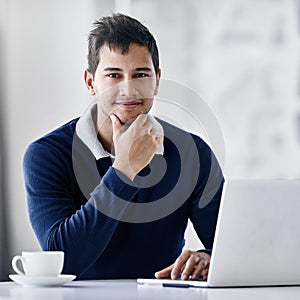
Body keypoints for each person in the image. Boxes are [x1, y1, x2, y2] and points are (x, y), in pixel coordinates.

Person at [23, 13, 224, 281]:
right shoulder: (47, 155)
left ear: (157, 80)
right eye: (114, 75)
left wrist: (208, 257)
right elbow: (63, 258)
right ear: (90, 82)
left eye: (140, 74)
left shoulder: (192, 152)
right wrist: (124, 170)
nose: (129, 90)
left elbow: (229, 248)